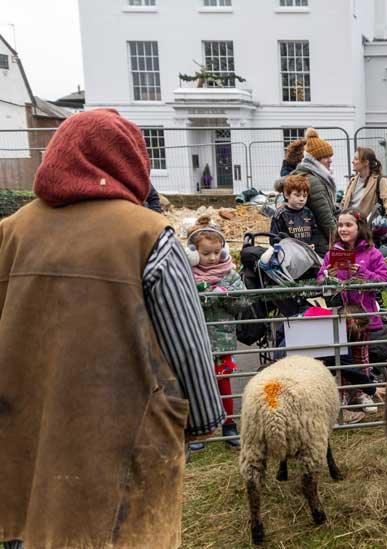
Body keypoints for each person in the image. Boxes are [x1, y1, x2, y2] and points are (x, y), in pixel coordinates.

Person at [0, 109, 224, 548]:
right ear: (128, 162)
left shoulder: (10, 232)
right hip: (121, 445)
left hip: (25, 446)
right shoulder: (148, 234)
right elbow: (186, 342)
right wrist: (203, 419)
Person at [186, 216, 247, 450]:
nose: (212, 258)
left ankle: (229, 425)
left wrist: (222, 294)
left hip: (222, 341)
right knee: (198, 385)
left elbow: (242, 302)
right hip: (197, 342)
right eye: (206, 253)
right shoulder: (187, 276)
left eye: (216, 252)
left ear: (223, 251)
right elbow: (185, 302)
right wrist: (211, 296)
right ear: (193, 253)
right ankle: (199, 430)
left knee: (224, 385)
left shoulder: (230, 274)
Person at [317, 208, 387, 387]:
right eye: (340, 225)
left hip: (362, 316)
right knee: (342, 356)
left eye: (348, 225)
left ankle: (364, 391)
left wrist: (363, 272)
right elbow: (319, 280)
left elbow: (383, 280)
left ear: (359, 227)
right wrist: (328, 275)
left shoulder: (373, 253)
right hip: (339, 314)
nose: (343, 229)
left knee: (361, 355)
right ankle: (344, 393)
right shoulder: (330, 254)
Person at [290, 127, 338, 240]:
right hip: (319, 240)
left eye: (330, 156)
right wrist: (341, 243)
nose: (330, 160)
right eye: (326, 157)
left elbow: (330, 208)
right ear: (314, 160)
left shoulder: (317, 176)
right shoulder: (314, 182)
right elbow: (326, 219)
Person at [269, 174, 328, 255]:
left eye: (305, 196)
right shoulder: (280, 215)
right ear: (286, 195)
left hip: (307, 253)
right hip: (288, 255)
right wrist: (290, 247)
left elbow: (315, 232)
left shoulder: (308, 212)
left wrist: (313, 244)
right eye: (297, 195)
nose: (301, 199)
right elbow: (273, 239)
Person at [341, 146, 387, 223]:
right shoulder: (352, 180)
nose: (352, 161)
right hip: (348, 223)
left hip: (365, 225)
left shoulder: (380, 180)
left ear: (366, 162)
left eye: (356, 159)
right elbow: (344, 202)